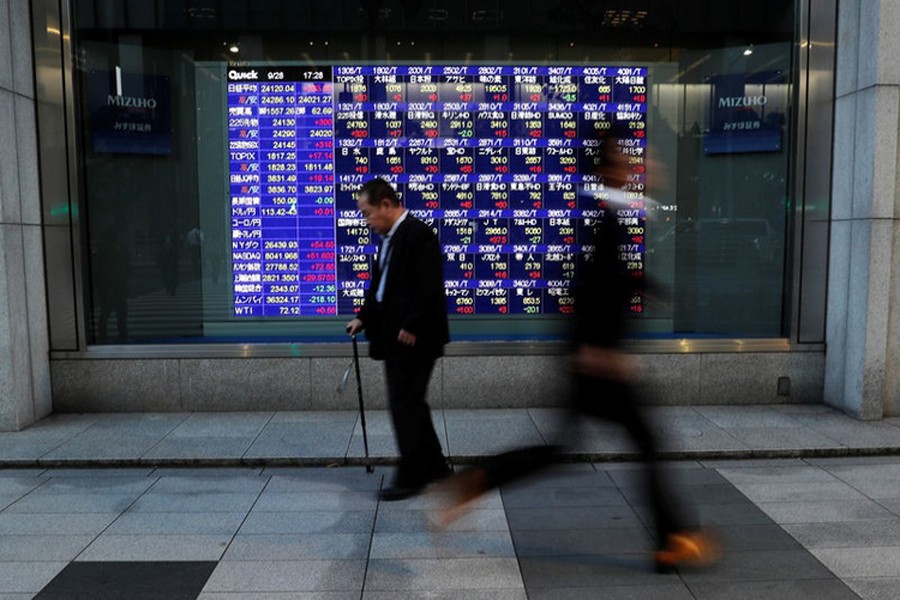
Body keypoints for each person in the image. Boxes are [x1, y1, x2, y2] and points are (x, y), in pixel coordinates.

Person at [435, 126, 720, 571]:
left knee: (562, 449)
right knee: (641, 440)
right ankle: (673, 539)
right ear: (610, 169)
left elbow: (609, 279)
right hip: (596, 362)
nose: (643, 167)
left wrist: (649, 289)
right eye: (630, 159)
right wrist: (600, 349)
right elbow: (592, 287)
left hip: (590, 359)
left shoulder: (609, 214)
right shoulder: (606, 217)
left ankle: (480, 479)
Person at [346, 177, 452, 501]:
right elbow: (379, 287)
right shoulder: (389, 239)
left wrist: (411, 325)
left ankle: (410, 476)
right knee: (412, 405)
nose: (366, 221)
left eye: (367, 213)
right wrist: (363, 317)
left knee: (404, 405)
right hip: (395, 337)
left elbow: (429, 287)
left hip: (414, 339)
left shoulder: (419, 235)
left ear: (387, 205)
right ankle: (435, 468)